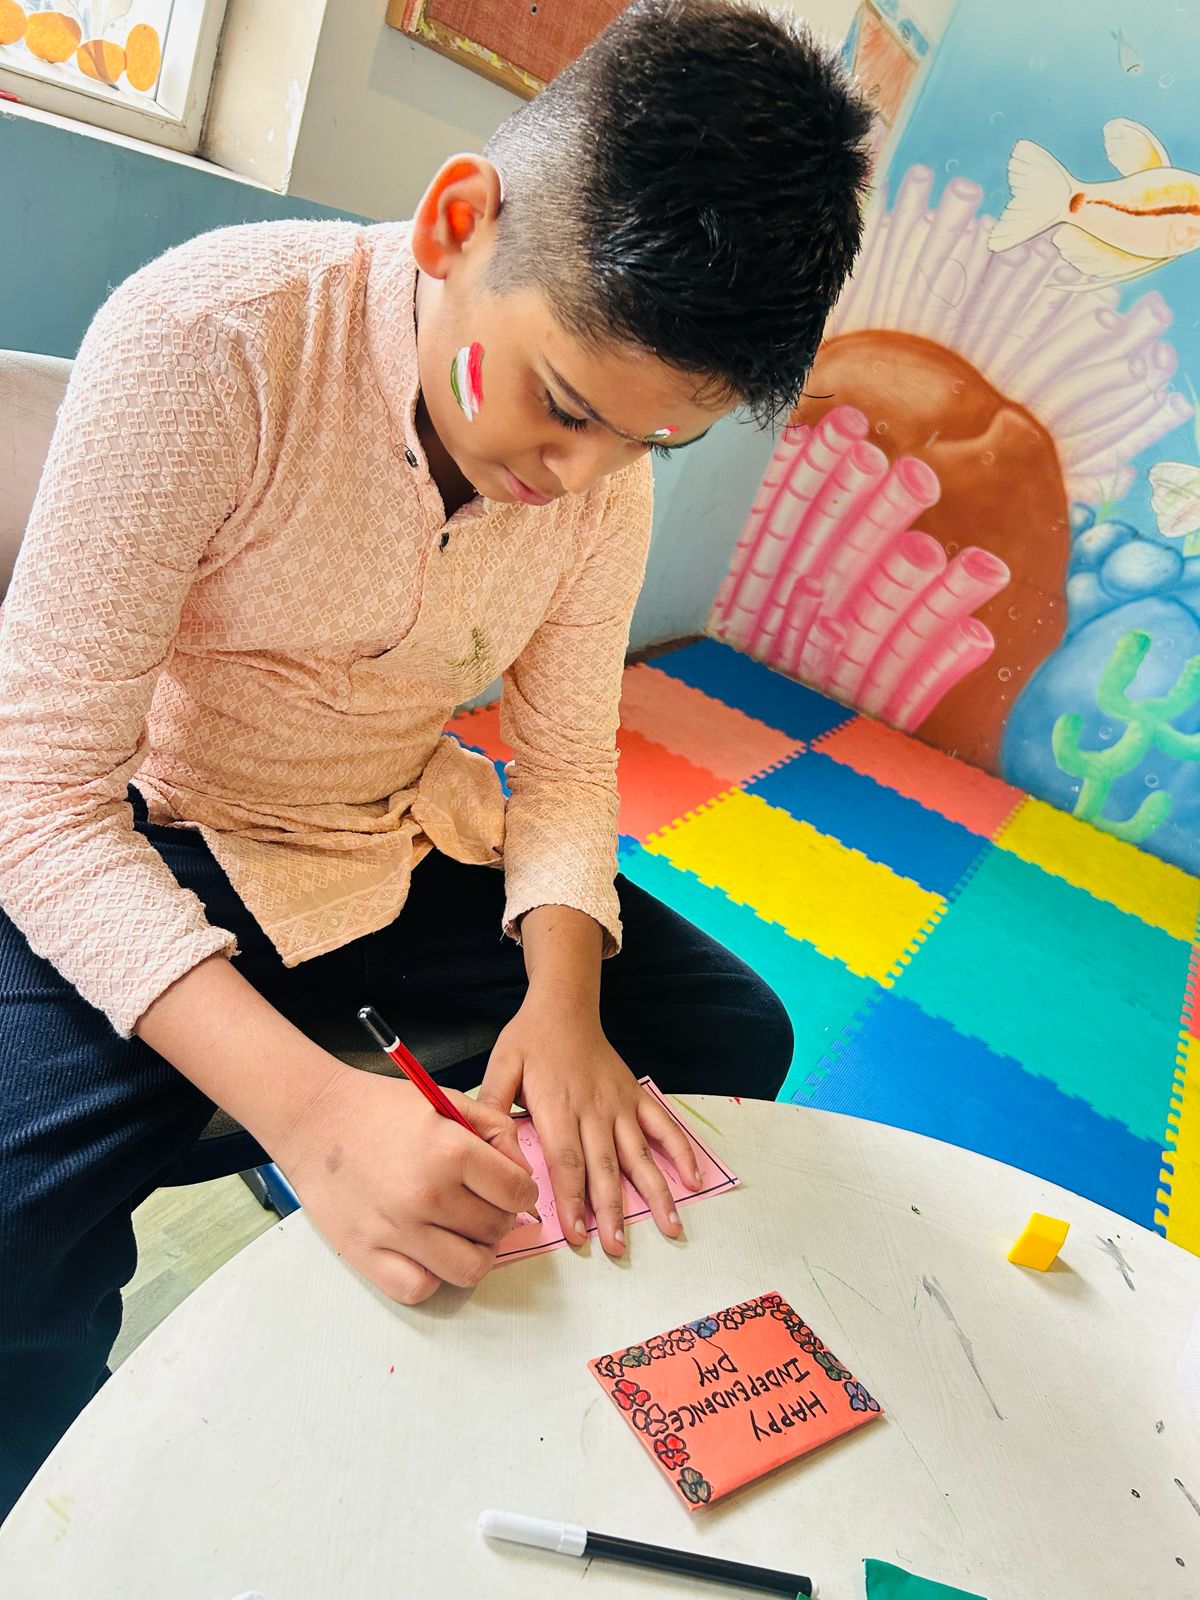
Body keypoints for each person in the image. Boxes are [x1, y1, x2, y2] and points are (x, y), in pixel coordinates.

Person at [0, 0, 870, 1521]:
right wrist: (309, 1118)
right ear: (457, 224)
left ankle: (453, 1247)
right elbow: (37, 803)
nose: (580, 478)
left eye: (652, 445)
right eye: (565, 406)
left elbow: (567, 764)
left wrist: (564, 999)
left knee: (727, 1039)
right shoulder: (212, 339)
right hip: (150, 842)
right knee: (11, 1227)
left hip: (389, 838)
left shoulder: (596, 471)